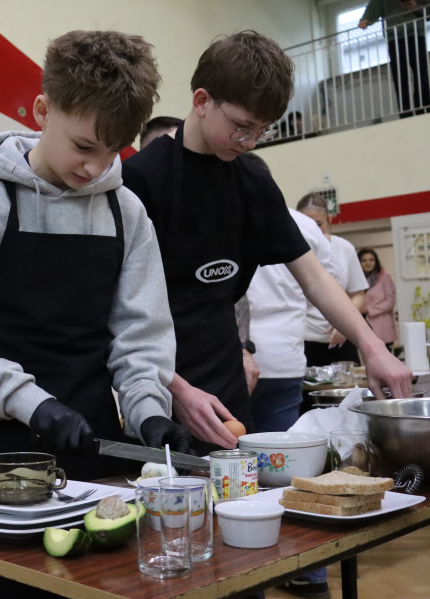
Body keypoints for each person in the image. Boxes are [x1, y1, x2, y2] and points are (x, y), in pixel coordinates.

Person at [0, 31, 188, 599]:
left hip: (92, 457)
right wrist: (33, 402)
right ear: (43, 110)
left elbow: (140, 339)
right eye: (83, 145)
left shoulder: (126, 211)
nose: (94, 167)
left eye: (112, 153)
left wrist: (148, 413)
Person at [121, 30, 412, 458]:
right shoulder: (142, 180)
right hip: (154, 385)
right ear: (202, 102)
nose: (250, 142)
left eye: (261, 131)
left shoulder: (252, 181)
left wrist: (372, 347)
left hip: (226, 379)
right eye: (241, 127)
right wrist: (173, 388)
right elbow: (115, 317)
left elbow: (313, 277)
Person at [243, 156, 339, 599]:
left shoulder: (237, 210)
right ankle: (310, 573)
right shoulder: (307, 226)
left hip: (242, 358)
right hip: (286, 357)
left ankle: (254, 566)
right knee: (288, 474)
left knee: (241, 475)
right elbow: (326, 285)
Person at [358, 0, 430, 117]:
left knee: (421, 72)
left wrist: (415, 7)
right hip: (396, 38)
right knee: (400, 76)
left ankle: (424, 108)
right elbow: (373, 9)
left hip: (416, 35)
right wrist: (366, 20)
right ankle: (406, 112)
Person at [297, 192, 368, 367]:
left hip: (342, 337)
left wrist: (344, 323)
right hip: (304, 338)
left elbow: (359, 295)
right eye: (303, 223)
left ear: (329, 220)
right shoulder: (291, 251)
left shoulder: (344, 248)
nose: (311, 229)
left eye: (318, 224)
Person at [359, 247, 397, 350]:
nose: (368, 263)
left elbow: (390, 302)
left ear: (376, 261)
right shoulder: (357, 280)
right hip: (363, 324)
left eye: (371, 260)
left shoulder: (385, 277)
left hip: (382, 325)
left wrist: (369, 309)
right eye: (364, 260)